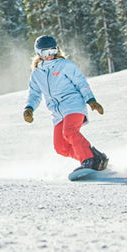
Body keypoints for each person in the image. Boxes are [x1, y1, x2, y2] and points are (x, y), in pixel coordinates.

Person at [23, 35, 108, 174]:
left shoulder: (65, 65)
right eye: (45, 53)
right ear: (38, 53)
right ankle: (95, 159)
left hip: (74, 105)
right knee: (60, 147)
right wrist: (29, 108)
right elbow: (34, 94)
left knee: (69, 132)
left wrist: (91, 99)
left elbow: (81, 82)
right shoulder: (36, 74)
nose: (50, 55)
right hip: (57, 113)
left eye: (53, 51)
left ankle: (88, 160)